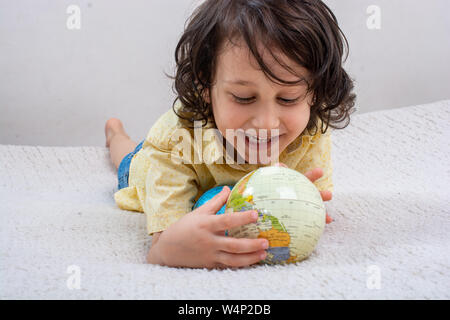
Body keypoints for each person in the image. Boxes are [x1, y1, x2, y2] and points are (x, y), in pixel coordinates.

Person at [105, 0, 356, 269]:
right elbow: (163, 247)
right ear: (205, 85)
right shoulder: (173, 144)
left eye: (288, 99)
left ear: (314, 93)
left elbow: (312, 205)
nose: (266, 123)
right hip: (150, 166)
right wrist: (167, 250)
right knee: (128, 160)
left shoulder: (311, 133)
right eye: (244, 97)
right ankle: (114, 134)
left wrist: (299, 199)